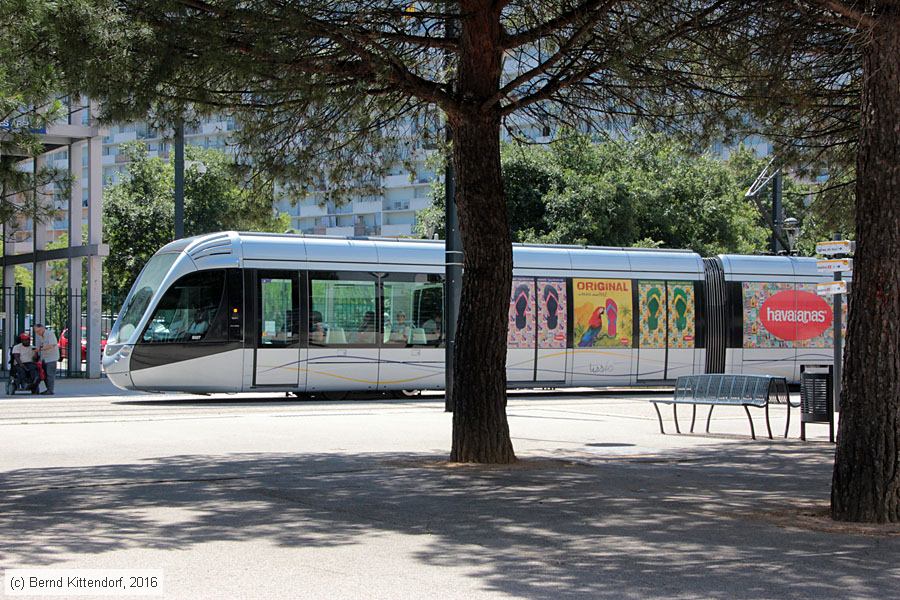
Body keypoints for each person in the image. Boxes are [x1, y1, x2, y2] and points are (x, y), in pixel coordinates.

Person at [34, 324, 59, 395]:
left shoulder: (50, 334)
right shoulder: (39, 336)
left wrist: (40, 349)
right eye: (36, 331)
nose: (37, 333)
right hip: (44, 358)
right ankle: (48, 389)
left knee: (50, 375)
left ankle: (50, 390)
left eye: (38, 331)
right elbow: (38, 346)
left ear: (42, 328)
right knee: (44, 375)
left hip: (51, 358)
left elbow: (52, 345)